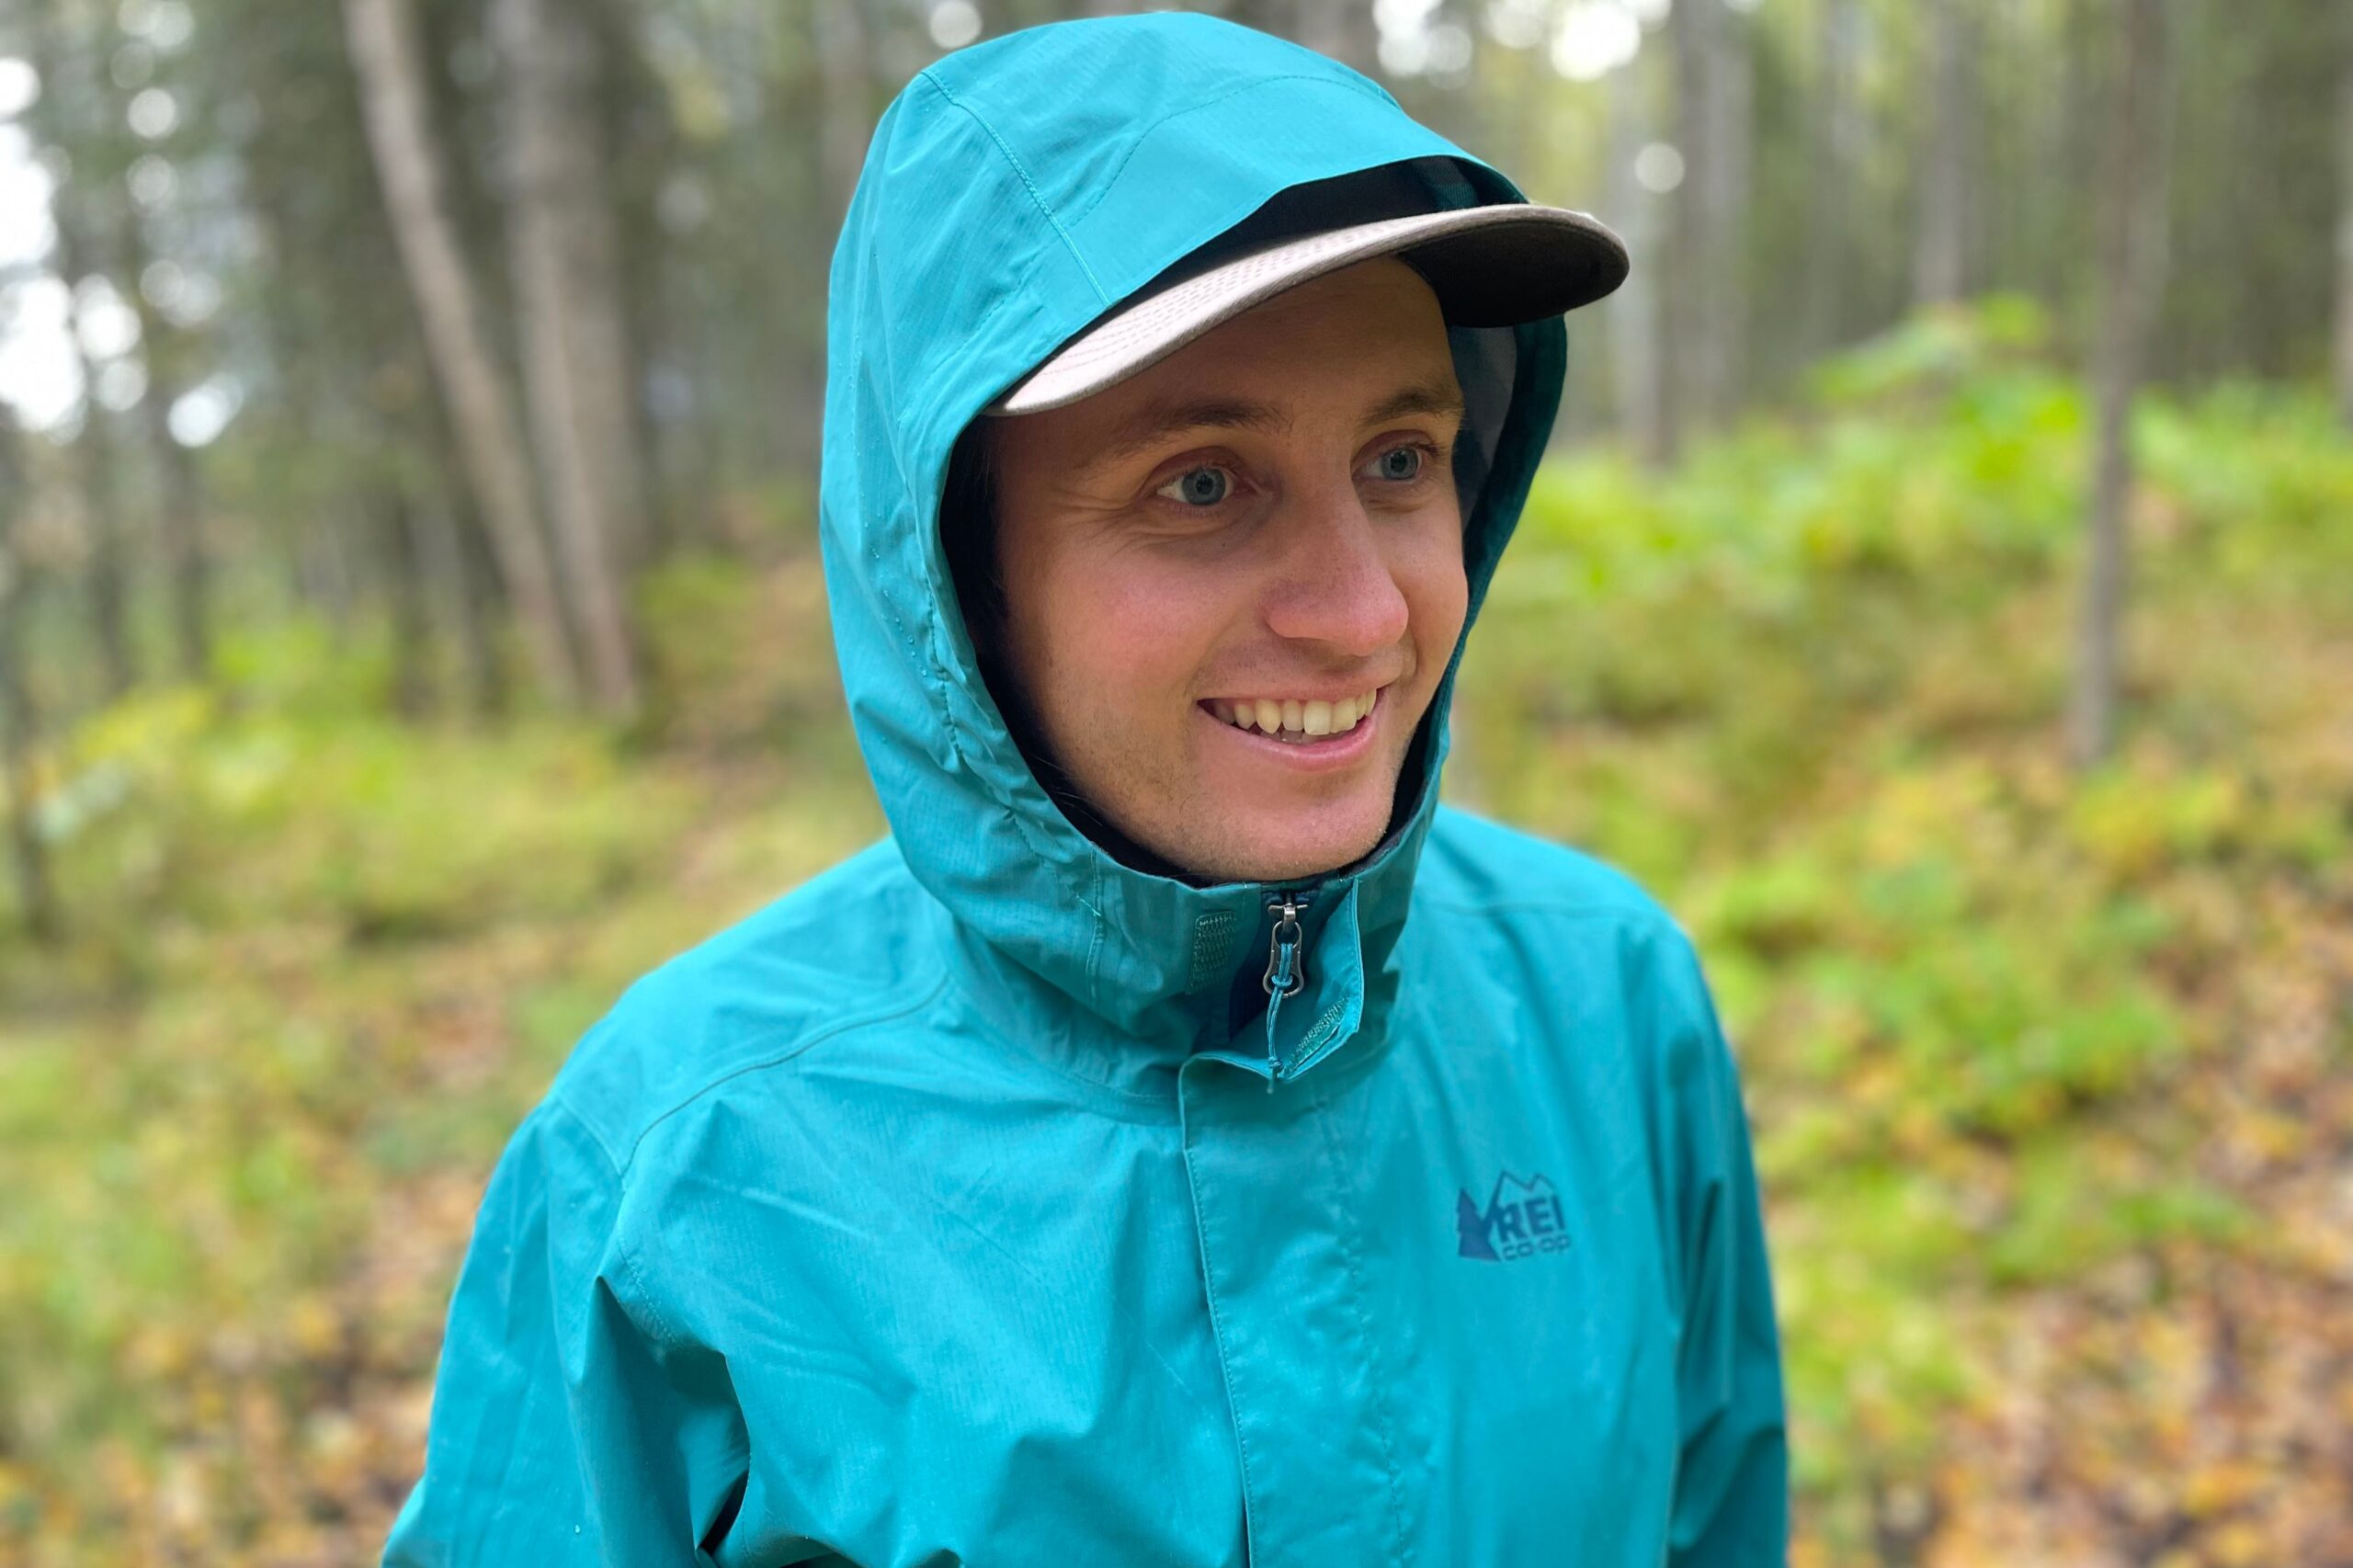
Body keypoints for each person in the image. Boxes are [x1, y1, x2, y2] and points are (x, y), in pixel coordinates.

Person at [383, 12, 1787, 1566]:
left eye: (1401, 459)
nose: (1366, 612)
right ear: (961, 566)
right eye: (1203, 484)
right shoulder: (681, 1169)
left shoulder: (1605, 1003)